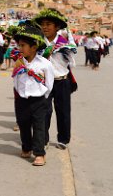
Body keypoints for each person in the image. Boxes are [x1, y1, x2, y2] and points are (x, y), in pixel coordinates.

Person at [12, 21, 54, 166]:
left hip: (39, 100)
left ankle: (39, 153)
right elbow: (16, 81)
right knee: (23, 123)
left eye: (23, 45)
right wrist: (19, 95)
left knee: (39, 126)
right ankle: (26, 147)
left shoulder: (44, 64)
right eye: (19, 45)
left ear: (34, 47)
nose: (20, 48)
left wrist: (44, 98)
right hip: (22, 99)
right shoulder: (18, 63)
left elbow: (49, 84)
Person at [35, 8, 76, 150]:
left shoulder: (65, 43)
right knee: (44, 111)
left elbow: (71, 61)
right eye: (43, 24)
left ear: (57, 27)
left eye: (48, 24)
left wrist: (59, 49)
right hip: (44, 82)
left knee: (63, 111)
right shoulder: (38, 43)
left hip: (62, 81)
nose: (45, 27)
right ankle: (43, 139)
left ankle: (63, 139)